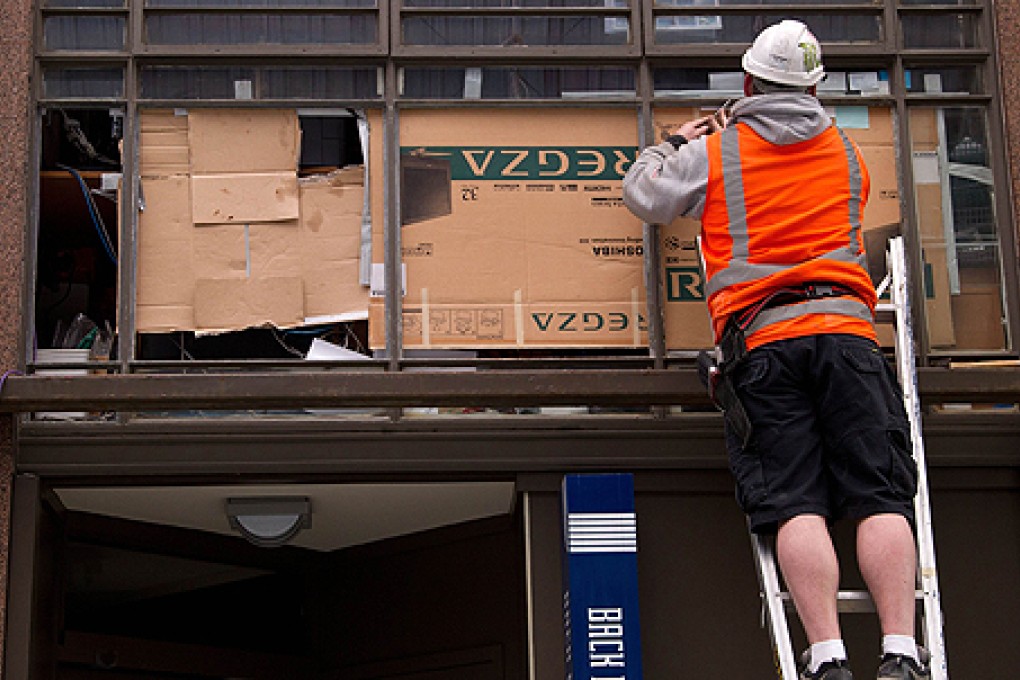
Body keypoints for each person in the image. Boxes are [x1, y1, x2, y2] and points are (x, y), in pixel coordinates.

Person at [622, 19, 930, 680]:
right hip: (849, 337)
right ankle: (902, 650)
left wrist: (675, 141)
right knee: (880, 495)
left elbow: (644, 195)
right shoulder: (848, 153)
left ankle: (826, 657)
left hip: (765, 344)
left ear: (748, 80)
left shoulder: (720, 151)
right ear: (815, 86)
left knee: (794, 502)